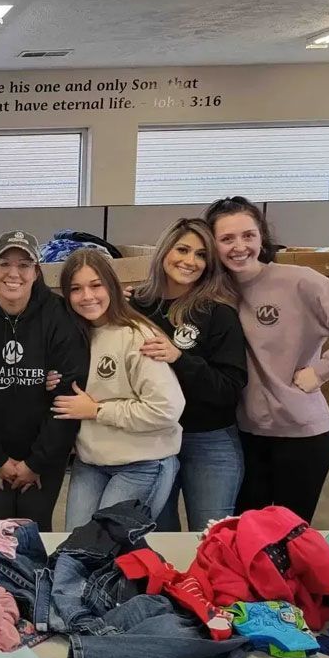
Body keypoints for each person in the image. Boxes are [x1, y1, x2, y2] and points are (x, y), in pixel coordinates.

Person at [204, 196, 329, 522]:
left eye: (248, 236)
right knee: (242, 536)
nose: (239, 246)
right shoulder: (214, 292)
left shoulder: (298, 281)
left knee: (289, 537)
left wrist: (324, 370)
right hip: (242, 436)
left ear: (261, 237)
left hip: (299, 436)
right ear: (212, 244)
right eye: (227, 239)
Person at [0, 230, 89, 530]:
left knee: (33, 532)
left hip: (44, 450)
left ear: (36, 271)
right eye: (4, 264)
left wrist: (35, 463)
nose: (14, 273)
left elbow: (68, 397)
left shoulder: (59, 315)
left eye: (24, 265)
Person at [53, 249, 186, 531]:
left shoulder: (137, 335)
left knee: (107, 548)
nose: (87, 296)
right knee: (76, 546)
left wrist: (97, 410)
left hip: (142, 462)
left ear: (111, 286)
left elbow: (166, 409)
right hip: (91, 463)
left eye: (96, 285)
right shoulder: (73, 336)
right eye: (76, 289)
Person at [130, 218, 248, 530]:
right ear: (164, 250)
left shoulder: (218, 313)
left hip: (209, 440)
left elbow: (230, 388)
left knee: (210, 538)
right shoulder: (137, 306)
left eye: (200, 255)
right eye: (182, 249)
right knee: (158, 536)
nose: (190, 261)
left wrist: (179, 358)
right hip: (152, 439)